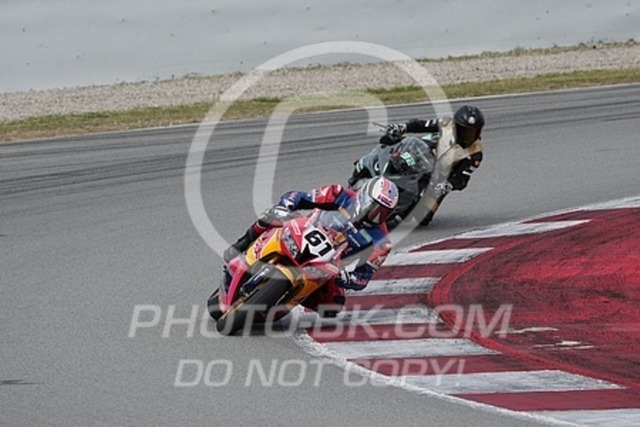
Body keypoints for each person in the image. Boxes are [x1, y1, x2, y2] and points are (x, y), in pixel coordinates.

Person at [222, 177, 399, 317]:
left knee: (333, 306)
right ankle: (242, 244)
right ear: (365, 196)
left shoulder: (382, 242)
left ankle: (283, 301)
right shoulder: (339, 194)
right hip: (302, 231)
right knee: (271, 217)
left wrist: (349, 278)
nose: (377, 215)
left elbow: (363, 278)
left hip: (327, 264)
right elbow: (299, 197)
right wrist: (286, 206)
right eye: (375, 207)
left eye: (384, 212)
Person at [380, 104, 485, 225]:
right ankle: (369, 169)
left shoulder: (475, 152)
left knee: (423, 218)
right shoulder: (446, 123)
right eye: (465, 131)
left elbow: (462, 179)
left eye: (473, 132)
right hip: (422, 155)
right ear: (456, 126)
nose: (468, 136)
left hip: (439, 178)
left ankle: (397, 210)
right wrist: (403, 127)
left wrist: (448, 185)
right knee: (392, 146)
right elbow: (421, 125)